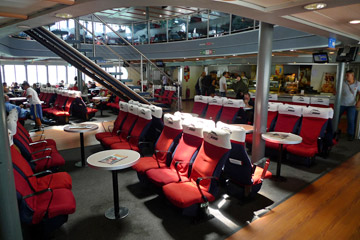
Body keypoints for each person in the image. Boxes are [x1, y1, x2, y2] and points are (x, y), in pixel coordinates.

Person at [339, 70, 360, 141]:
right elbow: (336, 91)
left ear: (352, 76)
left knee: (351, 120)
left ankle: (350, 134)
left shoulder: (358, 84)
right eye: (346, 75)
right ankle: (334, 132)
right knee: (336, 119)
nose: (346, 77)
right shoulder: (342, 82)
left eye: (348, 75)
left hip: (351, 105)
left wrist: (358, 102)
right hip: (341, 104)